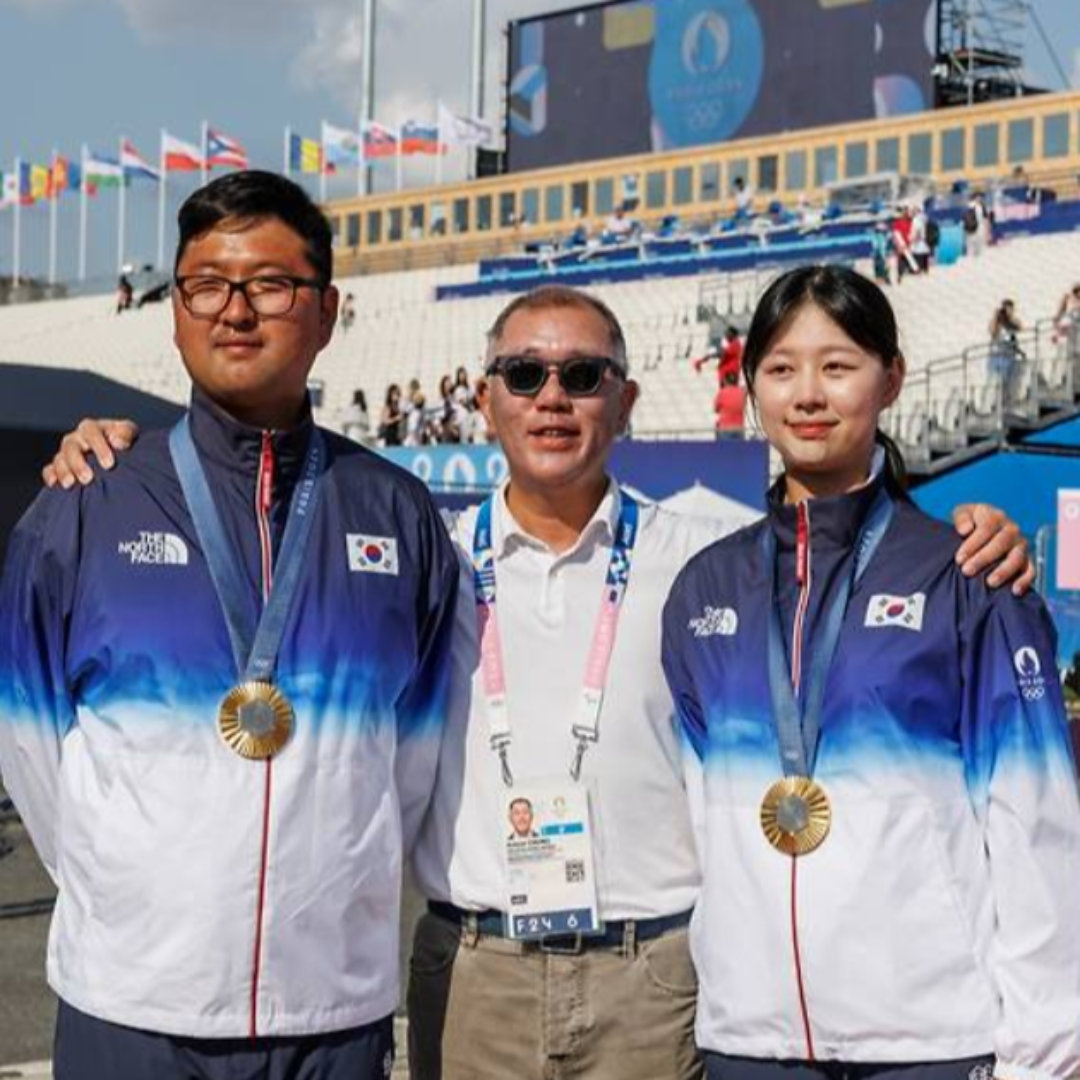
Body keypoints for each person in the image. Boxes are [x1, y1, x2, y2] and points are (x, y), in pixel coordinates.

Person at [43, 284, 1034, 1080]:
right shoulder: (421, 553)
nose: (551, 396)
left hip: (657, 980)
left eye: (582, 374)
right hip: (478, 973)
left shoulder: (710, 563)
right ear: (485, 399)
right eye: (523, 374)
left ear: (627, 399)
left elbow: (835, 579)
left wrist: (975, 534)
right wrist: (120, 452)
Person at [0, 170, 459, 1080]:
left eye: (271, 285)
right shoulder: (87, 501)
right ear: (175, 309)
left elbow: (408, 764)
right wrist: (126, 891)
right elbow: (31, 748)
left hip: (334, 1016)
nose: (235, 310)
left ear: (327, 311)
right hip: (131, 1011)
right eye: (206, 284)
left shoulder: (399, 516)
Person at [661, 265, 1080, 1080]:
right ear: (751, 390)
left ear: (891, 378)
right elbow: (703, 817)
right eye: (781, 369)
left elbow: (1037, 827)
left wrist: (1045, 1053)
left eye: (839, 365)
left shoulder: (970, 575)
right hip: (751, 1042)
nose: (808, 394)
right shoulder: (704, 590)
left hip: (929, 1043)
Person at [989, 298, 1024, 399]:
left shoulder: (1012, 322)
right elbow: (992, 331)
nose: (1008, 311)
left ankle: (1003, 400)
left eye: (1010, 309)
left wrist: (1010, 317)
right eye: (1006, 309)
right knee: (993, 380)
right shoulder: (998, 322)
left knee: (1004, 379)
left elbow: (1021, 327)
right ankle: (994, 401)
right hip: (997, 353)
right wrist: (996, 317)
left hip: (1008, 354)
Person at [713, 371, 746, 440]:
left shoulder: (722, 393)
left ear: (725, 381)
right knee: (738, 450)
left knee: (724, 449)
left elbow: (715, 409)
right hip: (739, 426)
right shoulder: (742, 392)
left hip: (725, 427)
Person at [378, 382, 405, 447]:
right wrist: (396, 418)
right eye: (395, 393)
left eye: (398, 393)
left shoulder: (399, 407)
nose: (397, 395)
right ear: (390, 394)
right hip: (390, 435)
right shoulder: (388, 407)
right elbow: (385, 421)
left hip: (398, 435)